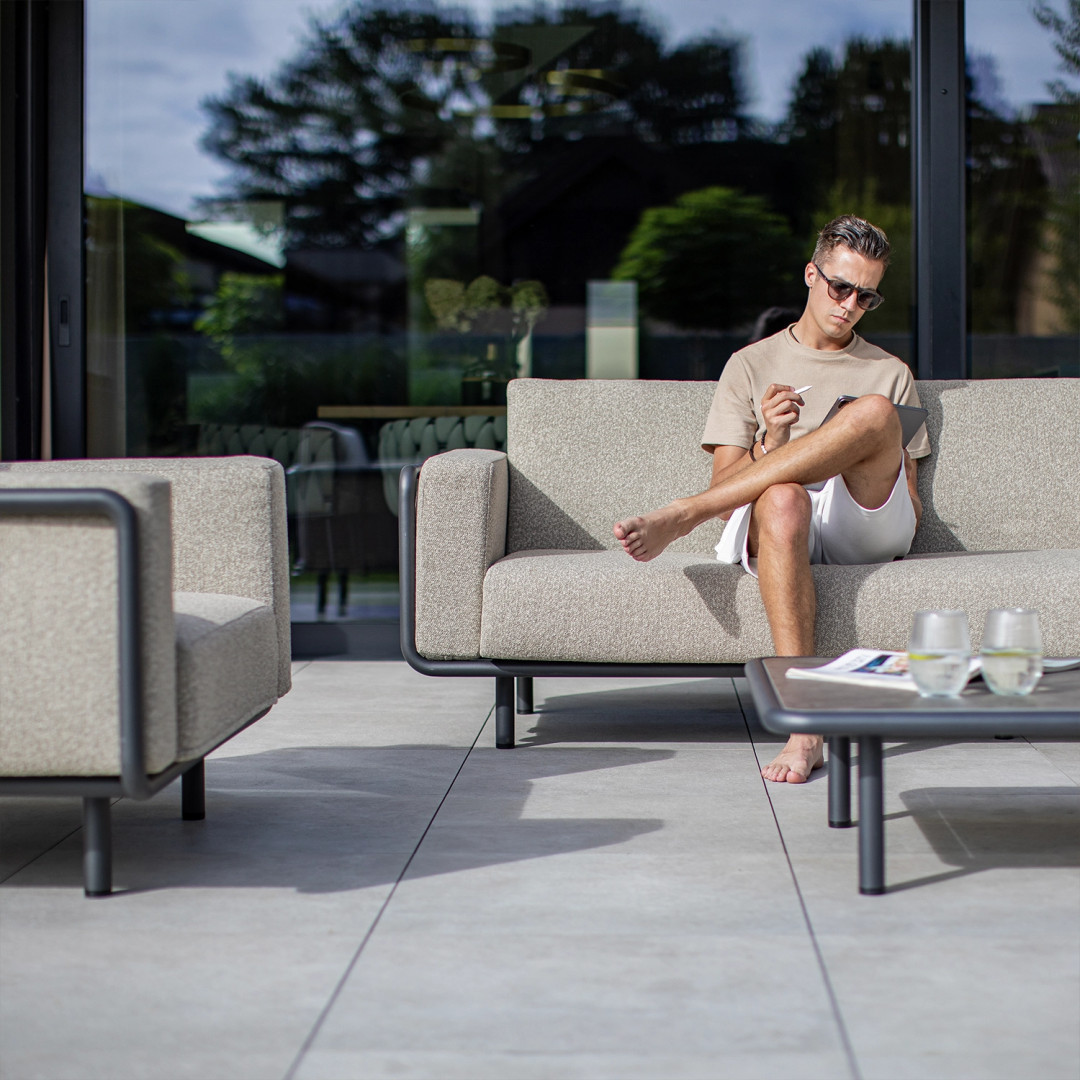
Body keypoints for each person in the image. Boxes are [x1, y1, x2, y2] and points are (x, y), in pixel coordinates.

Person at [613, 215, 931, 784]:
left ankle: (684, 514)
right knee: (783, 497)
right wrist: (773, 441)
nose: (850, 305)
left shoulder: (890, 371)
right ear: (811, 275)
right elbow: (727, 491)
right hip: (780, 519)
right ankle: (805, 726)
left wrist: (860, 450)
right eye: (840, 287)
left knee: (875, 413)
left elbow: (907, 497)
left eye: (866, 296)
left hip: (863, 516)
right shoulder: (750, 363)